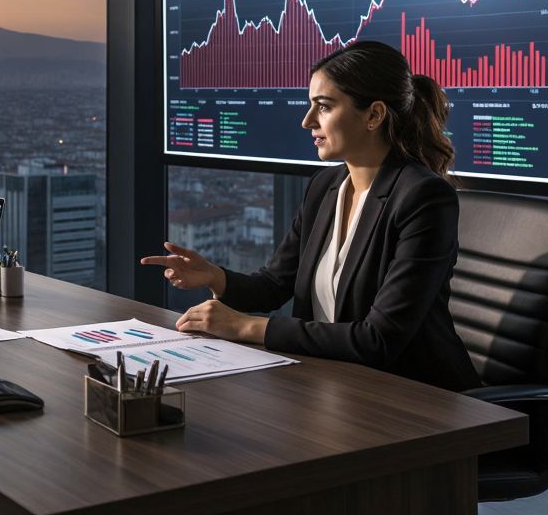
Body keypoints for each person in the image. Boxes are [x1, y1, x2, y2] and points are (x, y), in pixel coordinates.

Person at [142, 40, 479, 392]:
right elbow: (274, 285)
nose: (307, 121)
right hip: (333, 386)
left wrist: (246, 327)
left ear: (374, 115)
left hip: (414, 398)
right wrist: (215, 277)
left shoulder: (423, 198)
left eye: (324, 107)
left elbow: (378, 339)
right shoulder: (325, 187)